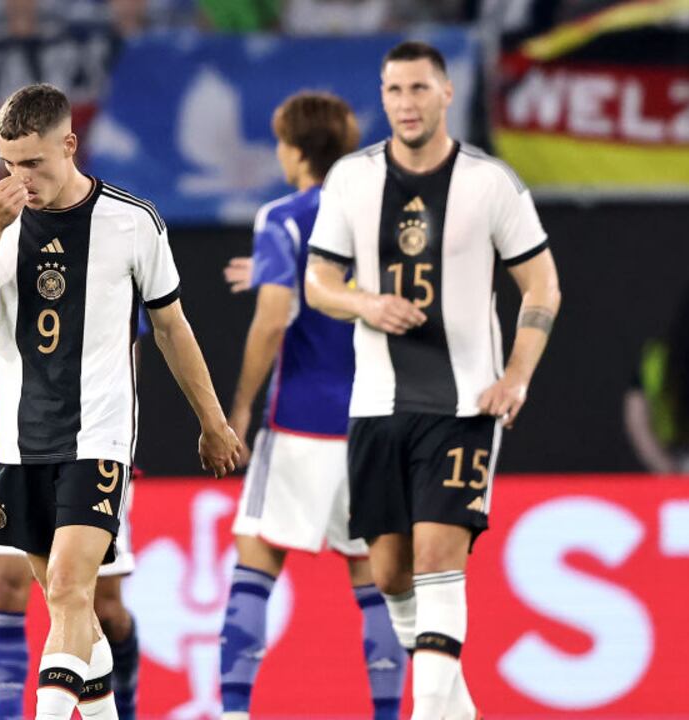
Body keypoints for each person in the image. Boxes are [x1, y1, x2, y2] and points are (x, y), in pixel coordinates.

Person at [0, 82, 242, 720]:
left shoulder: (132, 221)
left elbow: (172, 326)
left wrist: (212, 421)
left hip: (97, 438)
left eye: (34, 164)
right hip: (20, 443)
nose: (21, 179)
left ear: (69, 145)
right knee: (68, 611)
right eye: (9, 163)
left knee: (72, 589)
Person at [304, 41, 561, 720]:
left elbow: (541, 285)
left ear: (447, 94)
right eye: (394, 91)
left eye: (419, 89)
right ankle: (459, 707)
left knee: (443, 554)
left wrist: (516, 377)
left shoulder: (489, 182)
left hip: (464, 403)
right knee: (390, 572)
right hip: (377, 404)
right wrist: (367, 302)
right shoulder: (352, 180)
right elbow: (319, 282)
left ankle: (430, 713)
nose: (406, 104)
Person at [219, 91, 406, 720]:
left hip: (300, 419)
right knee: (374, 583)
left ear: (294, 150)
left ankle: (235, 712)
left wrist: (239, 406)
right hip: (374, 419)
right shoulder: (384, 216)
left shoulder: (285, 217)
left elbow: (273, 323)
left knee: (255, 564)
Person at [0, 289, 148, 720]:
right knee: (13, 587)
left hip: (93, 447)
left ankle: (124, 709)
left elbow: (129, 350)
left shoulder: (104, 242)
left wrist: (122, 440)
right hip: (15, 450)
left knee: (102, 608)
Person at [623, 277, 689, 474]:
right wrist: (667, 469)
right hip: (683, 460)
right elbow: (636, 413)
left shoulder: (658, 357)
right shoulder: (660, 358)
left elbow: (635, 414)